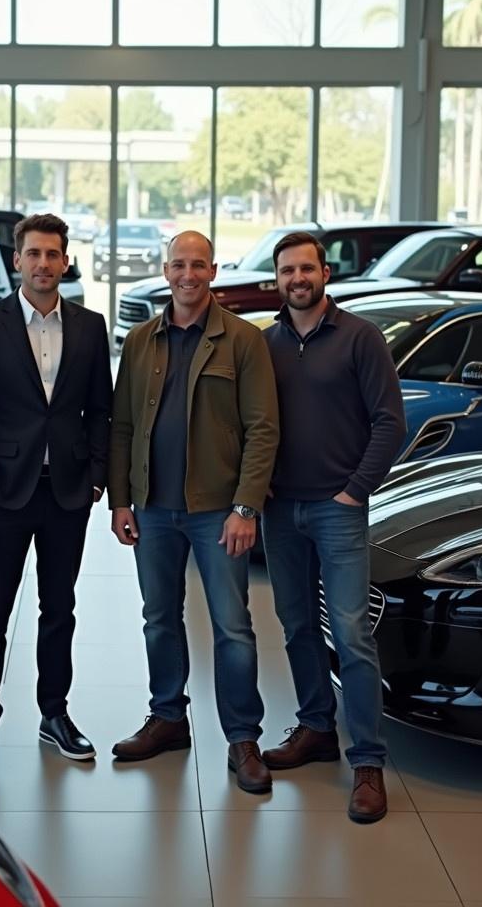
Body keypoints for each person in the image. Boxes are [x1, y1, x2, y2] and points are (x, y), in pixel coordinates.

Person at [108, 230, 280, 793]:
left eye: (198, 265)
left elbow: (263, 429)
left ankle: (243, 738)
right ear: (166, 270)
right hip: (154, 507)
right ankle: (167, 719)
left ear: (213, 270)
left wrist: (246, 506)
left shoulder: (242, 341)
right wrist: (120, 500)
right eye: (179, 264)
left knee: (233, 626)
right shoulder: (139, 341)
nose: (188, 274)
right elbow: (124, 427)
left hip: (218, 512)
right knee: (159, 617)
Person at [0, 213, 112, 776]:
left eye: (53, 254)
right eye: (33, 254)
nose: (43, 264)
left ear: (66, 261)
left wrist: (97, 475)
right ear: (16, 260)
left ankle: (55, 713)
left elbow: (102, 410)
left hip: (67, 492)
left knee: (59, 610)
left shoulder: (92, 327)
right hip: (5, 493)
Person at [261, 230, 407, 823]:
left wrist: (354, 490)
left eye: (306, 269)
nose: (297, 279)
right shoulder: (263, 344)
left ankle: (368, 761)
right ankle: (316, 727)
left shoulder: (360, 338)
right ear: (277, 279)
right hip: (279, 509)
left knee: (350, 634)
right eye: (287, 271)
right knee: (296, 626)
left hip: (337, 508)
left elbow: (389, 423)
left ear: (325, 274)